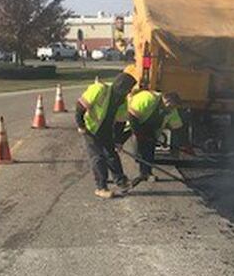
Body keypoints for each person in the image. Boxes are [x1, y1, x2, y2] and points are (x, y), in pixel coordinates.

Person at [76, 71, 137, 199]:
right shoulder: (100, 90)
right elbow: (80, 107)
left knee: (112, 155)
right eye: (128, 89)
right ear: (121, 86)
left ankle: (121, 181)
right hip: (90, 129)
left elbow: (120, 123)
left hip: (106, 130)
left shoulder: (122, 101)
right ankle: (101, 187)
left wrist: (118, 141)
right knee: (98, 157)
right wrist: (81, 126)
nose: (129, 92)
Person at [120, 90, 184, 183]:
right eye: (172, 106)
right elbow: (132, 116)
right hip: (132, 121)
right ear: (167, 101)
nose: (172, 109)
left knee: (149, 148)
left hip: (149, 127)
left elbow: (177, 126)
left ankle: (146, 173)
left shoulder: (171, 110)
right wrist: (139, 134)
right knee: (116, 146)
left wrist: (182, 144)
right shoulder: (148, 98)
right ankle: (117, 176)